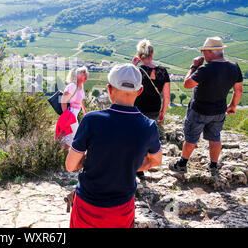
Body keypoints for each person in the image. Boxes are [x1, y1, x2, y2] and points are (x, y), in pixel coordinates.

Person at [66, 63, 162, 228]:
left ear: (109, 89)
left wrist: (92, 162)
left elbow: (70, 165)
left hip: (88, 205)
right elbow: (156, 161)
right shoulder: (148, 126)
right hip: (122, 207)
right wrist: (127, 165)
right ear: (139, 91)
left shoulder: (92, 120)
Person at [169, 37, 243, 174]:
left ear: (210, 52)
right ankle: (214, 166)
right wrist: (233, 105)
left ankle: (182, 164)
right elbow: (238, 90)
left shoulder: (205, 69)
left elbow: (187, 84)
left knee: (191, 138)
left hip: (199, 110)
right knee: (215, 138)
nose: (203, 55)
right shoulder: (234, 67)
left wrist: (194, 66)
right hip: (219, 111)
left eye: (204, 52)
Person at [132, 39, 170, 179]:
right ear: (152, 54)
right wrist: (163, 112)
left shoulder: (136, 70)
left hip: (137, 107)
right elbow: (166, 96)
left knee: (136, 137)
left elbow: (127, 84)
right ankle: (145, 163)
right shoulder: (162, 71)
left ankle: (137, 168)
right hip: (154, 108)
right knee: (147, 136)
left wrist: (132, 64)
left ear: (139, 54)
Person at [60, 66, 88, 150]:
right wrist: (66, 115)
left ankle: (61, 157)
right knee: (73, 137)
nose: (86, 75)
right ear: (77, 76)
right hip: (70, 113)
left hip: (74, 114)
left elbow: (81, 100)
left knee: (69, 138)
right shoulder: (72, 86)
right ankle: (65, 158)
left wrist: (84, 111)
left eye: (86, 73)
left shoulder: (81, 86)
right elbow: (63, 101)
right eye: (83, 74)